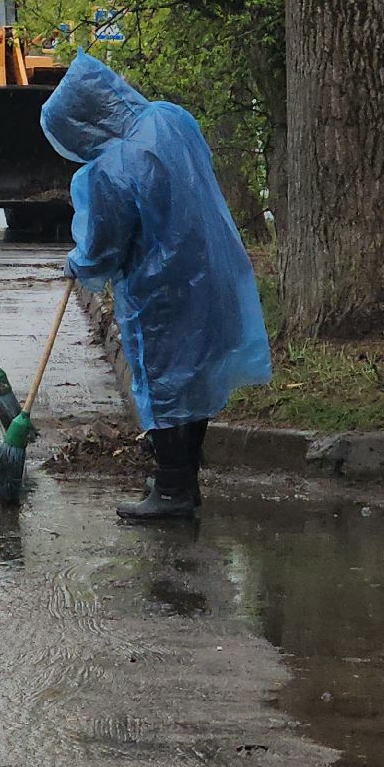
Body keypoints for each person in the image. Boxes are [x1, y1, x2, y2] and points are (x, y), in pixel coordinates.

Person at [40, 51, 272, 521]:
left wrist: (77, 262)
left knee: (163, 380)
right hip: (216, 266)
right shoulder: (170, 119)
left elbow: (103, 246)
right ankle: (185, 479)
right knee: (198, 376)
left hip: (163, 288)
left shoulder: (108, 170)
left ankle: (171, 488)